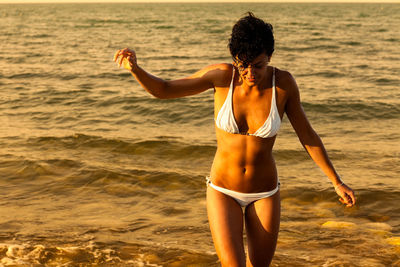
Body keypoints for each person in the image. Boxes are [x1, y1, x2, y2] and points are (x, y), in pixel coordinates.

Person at [113, 12, 356, 267]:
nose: (250, 72)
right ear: (235, 60)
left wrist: (336, 182)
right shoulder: (221, 76)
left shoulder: (283, 84)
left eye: (258, 65)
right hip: (223, 190)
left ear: (270, 57)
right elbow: (164, 90)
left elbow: (307, 136)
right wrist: (136, 69)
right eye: (243, 65)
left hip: (264, 193)